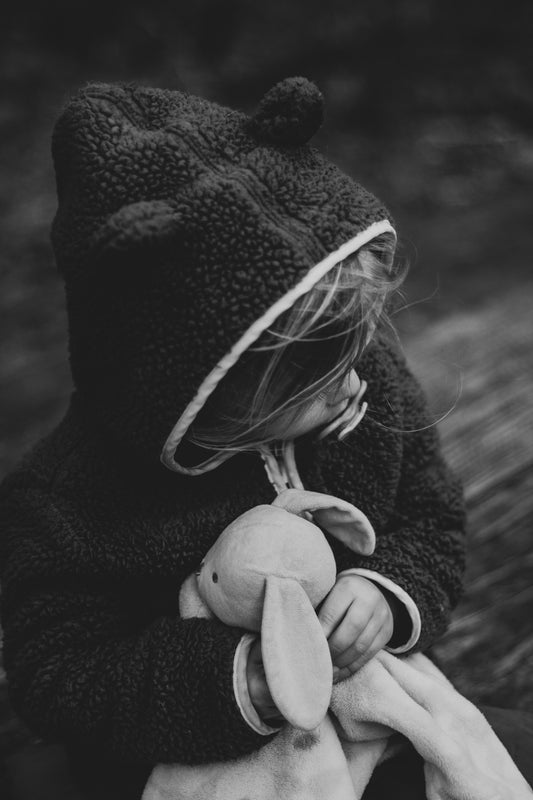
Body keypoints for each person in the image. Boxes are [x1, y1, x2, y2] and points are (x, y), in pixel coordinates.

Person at [0, 76, 524, 800]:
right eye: (317, 374)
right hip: (196, 763)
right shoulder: (71, 497)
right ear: (199, 393)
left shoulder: (365, 378)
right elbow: (56, 671)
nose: (355, 383)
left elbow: (432, 519)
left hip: (372, 705)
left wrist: (389, 591)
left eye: (358, 348)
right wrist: (233, 683)